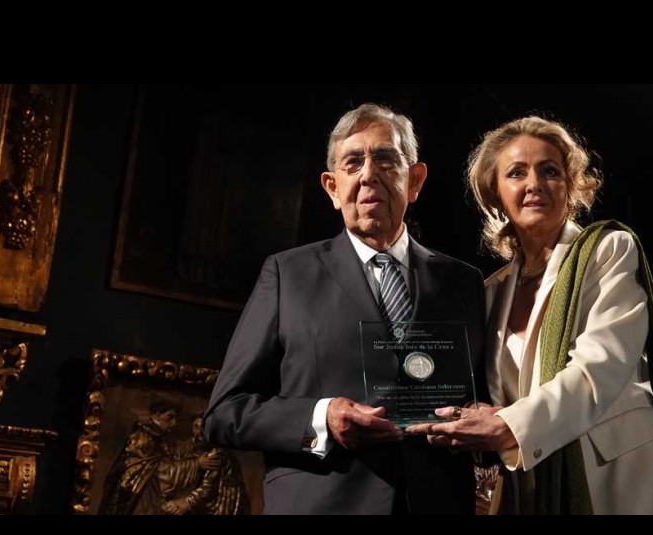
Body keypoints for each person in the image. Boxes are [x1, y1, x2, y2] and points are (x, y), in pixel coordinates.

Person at [407, 115, 653, 515]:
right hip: (535, 485)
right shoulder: (492, 291)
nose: (534, 183)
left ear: (570, 186)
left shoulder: (608, 250)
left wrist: (507, 425)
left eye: (549, 171)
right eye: (516, 173)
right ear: (496, 194)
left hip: (621, 478)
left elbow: (600, 368)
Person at [203, 103, 486, 514]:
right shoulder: (287, 275)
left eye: (386, 159)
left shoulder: (464, 283)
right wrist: (322, 417)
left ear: (415, 181)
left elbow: (484, 401)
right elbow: (224, 414)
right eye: (353, 162)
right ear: (333, 188)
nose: (369, 174)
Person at [99, 400, 218, 515]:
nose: (174, 423)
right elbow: (160, 472)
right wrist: (196, 464)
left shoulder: (161, 439)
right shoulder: (144, 439)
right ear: (156, 415)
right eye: (170, 417)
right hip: (138, 498)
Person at [160, 415, 251, 515]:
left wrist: (188, 502)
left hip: (222, 500)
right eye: (196, 427)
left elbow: (208, 486)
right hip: (200, 501)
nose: (200, 432)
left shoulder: (217, 451)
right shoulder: (190, 446)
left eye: (204, 427)